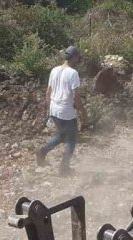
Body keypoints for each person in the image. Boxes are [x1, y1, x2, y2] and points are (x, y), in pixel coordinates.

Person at [36, 45, 85, 175]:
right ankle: (64, 168)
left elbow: (48, 92)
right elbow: (75, 97)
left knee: (62, 134)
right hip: (65, 111)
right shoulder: (73, 73)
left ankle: (42, 151)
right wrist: (83, 112)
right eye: (77, 58)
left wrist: (49, 110)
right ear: (74, 57)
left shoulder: (54, 70)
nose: (78, 60)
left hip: (54, 108)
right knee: (72, 139)